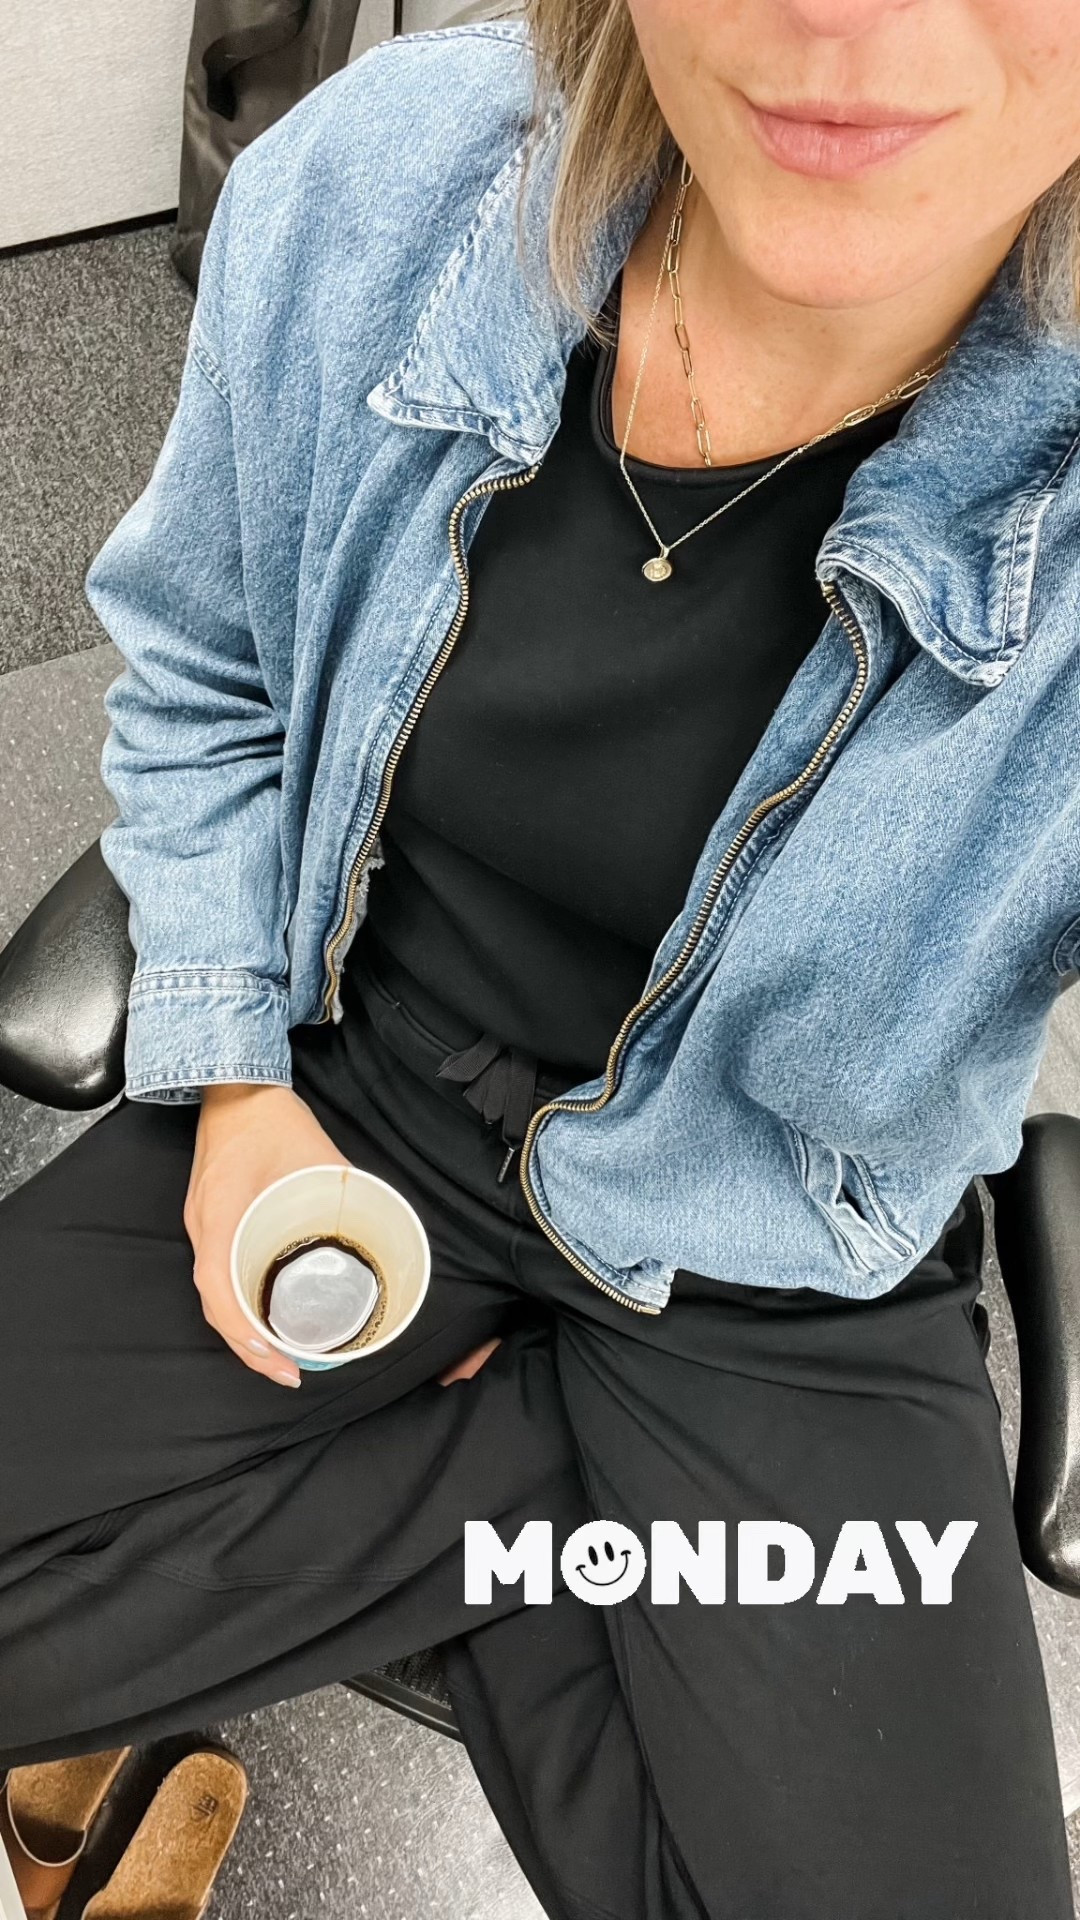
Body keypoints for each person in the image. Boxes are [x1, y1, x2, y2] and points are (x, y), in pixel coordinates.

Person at [2, 0, 1080, 1912]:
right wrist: (233, 1077)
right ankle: (541, 1502)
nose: (847, 16)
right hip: (350, 1086)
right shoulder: (382, 188)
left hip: (765, 1246)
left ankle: (483, 1513)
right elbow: (201, 668)